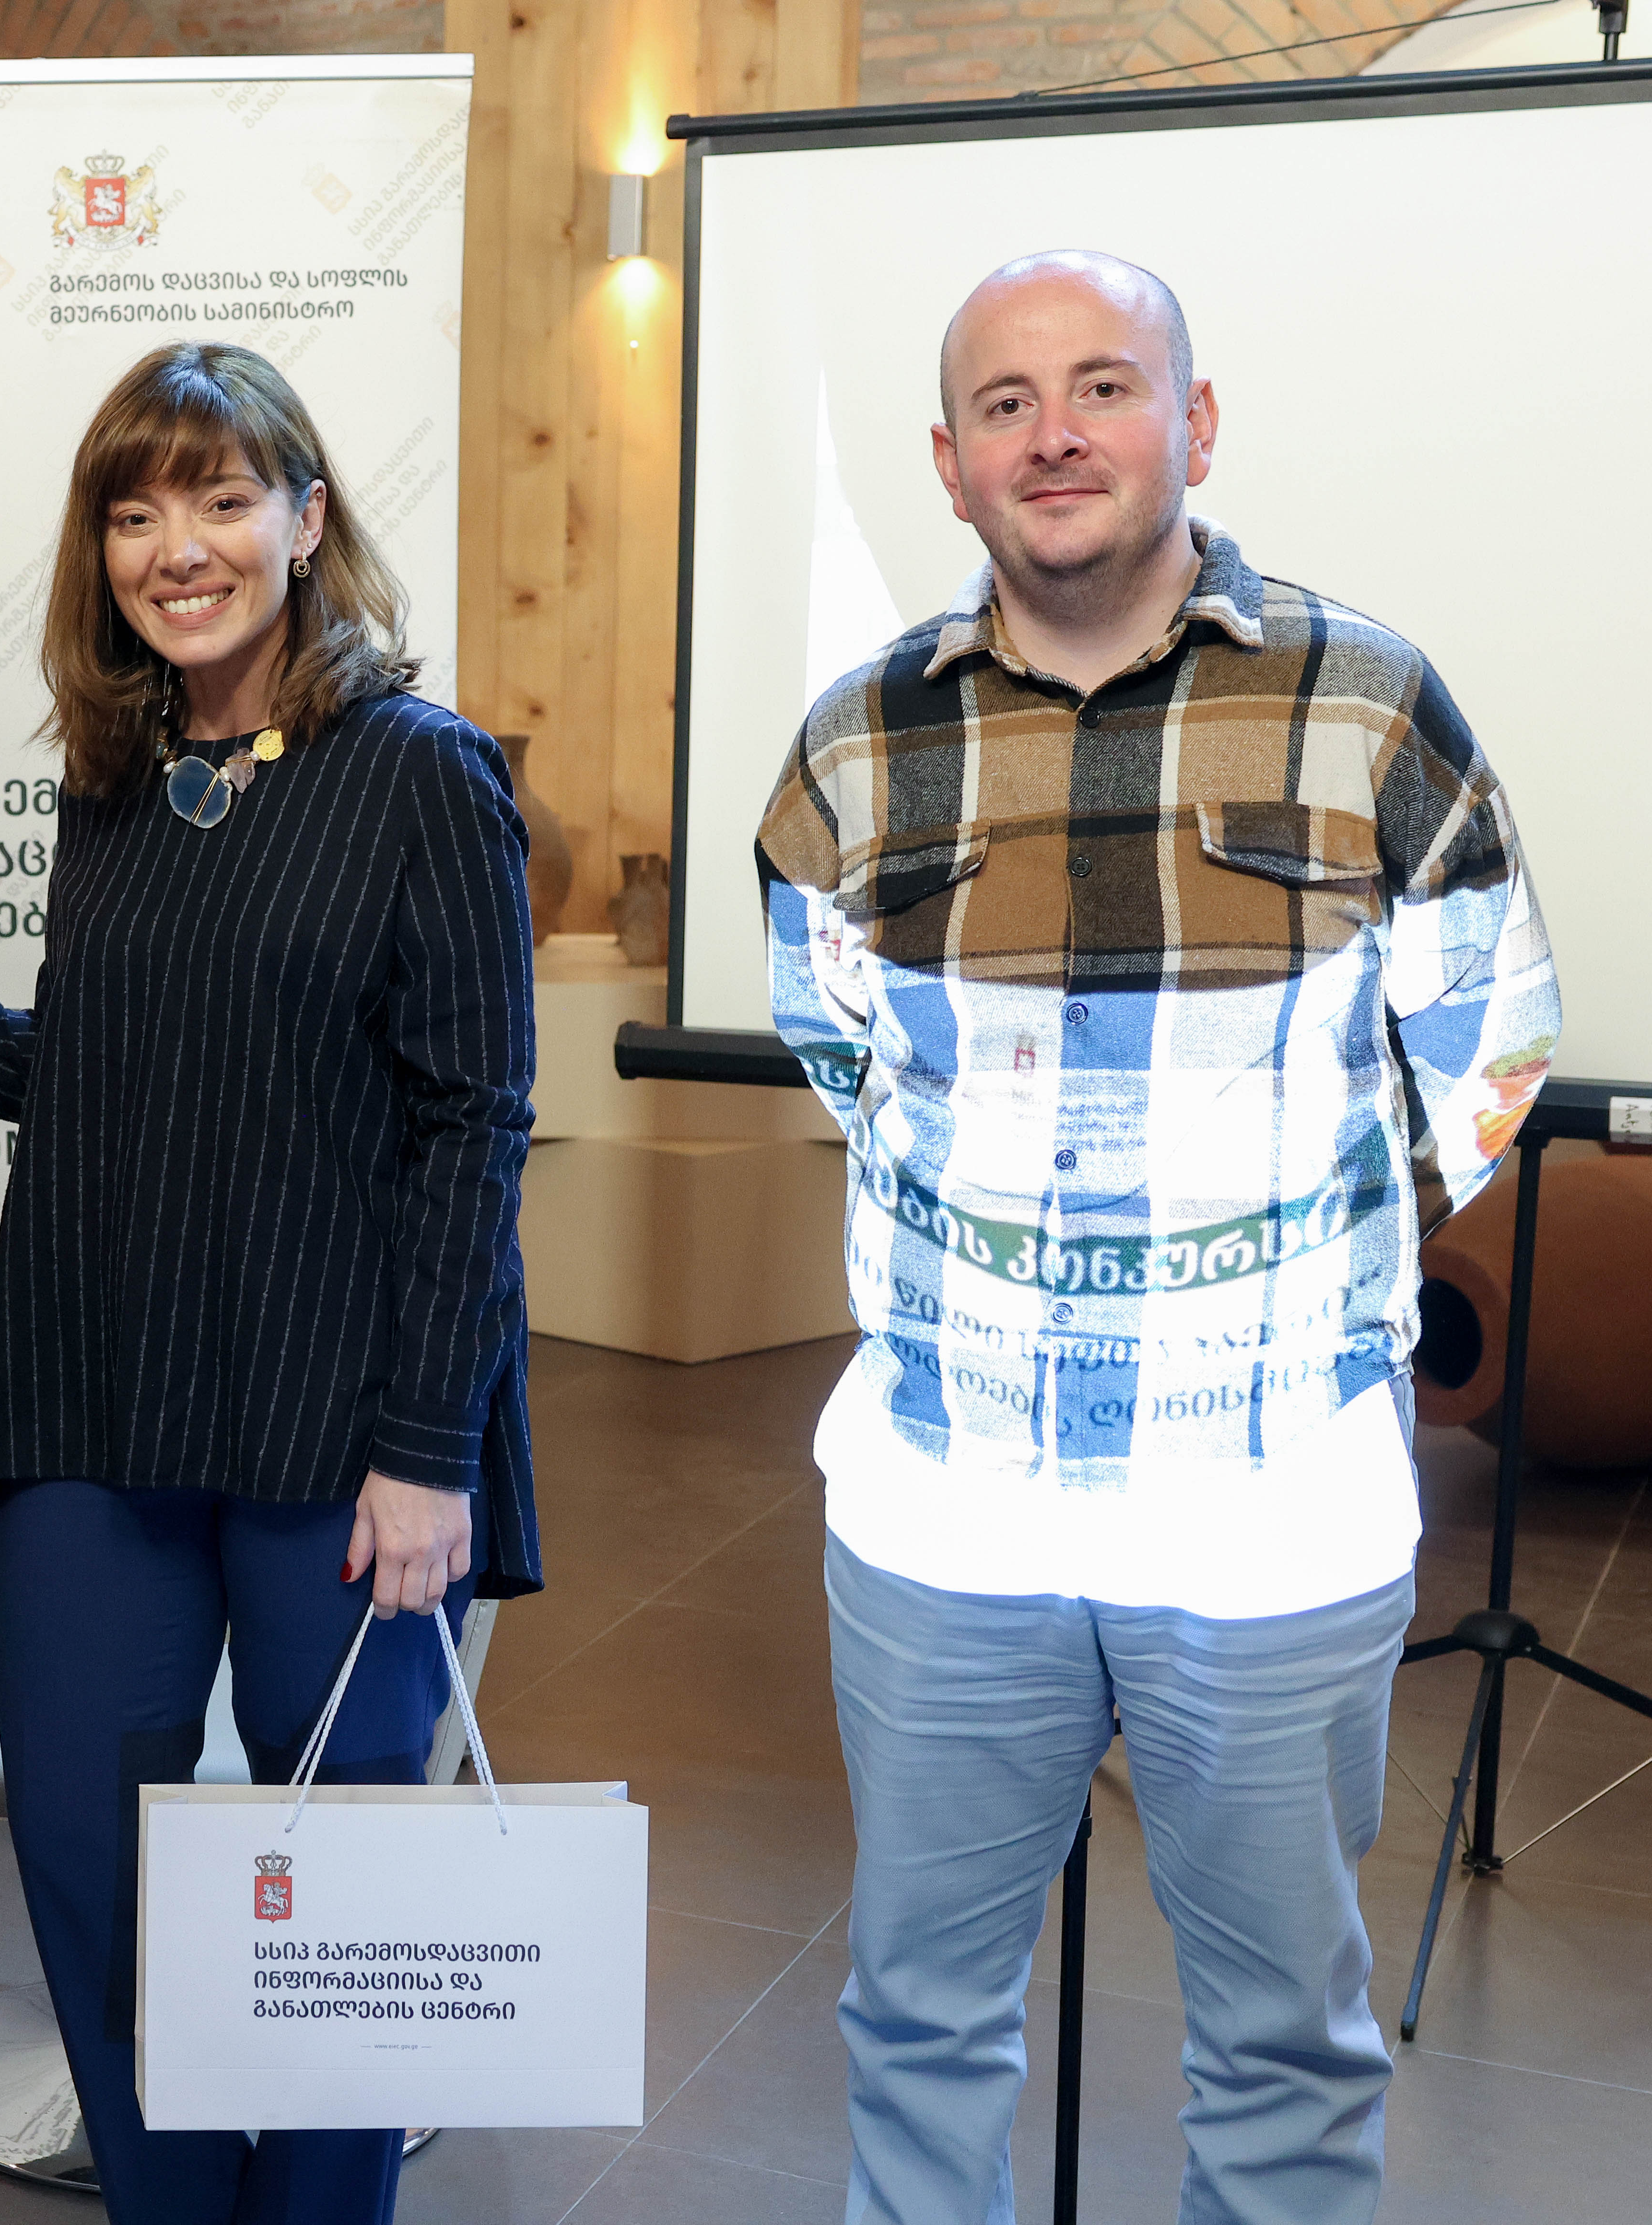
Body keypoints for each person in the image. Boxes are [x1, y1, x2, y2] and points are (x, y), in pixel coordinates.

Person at [757, 251, 1560, 2224]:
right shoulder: (859, 741)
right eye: (1007, 404)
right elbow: (841, 1051)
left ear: (1193, 423)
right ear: (949, 463)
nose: (1057, 435)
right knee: (918, 2020)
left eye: (1104, 386)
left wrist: (1295, 1250)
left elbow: (1490, 1044)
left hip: (1271, 1503)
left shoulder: (1367, 700)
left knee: (1284, 2049)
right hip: (952, 1502)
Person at [0, 342, 542, 2225]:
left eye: (220, 500)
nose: (178, 548)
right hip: (98, 1399)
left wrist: (430, 1449)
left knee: (332, 1901)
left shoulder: (424, 772)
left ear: (305, 520)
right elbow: (120, 1067)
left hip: (342, 1434)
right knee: (87, 1860)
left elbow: (473, 1125)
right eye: (135, 513)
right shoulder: (116, 778)